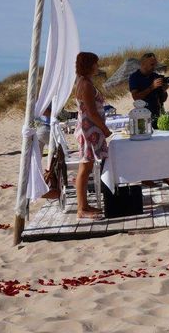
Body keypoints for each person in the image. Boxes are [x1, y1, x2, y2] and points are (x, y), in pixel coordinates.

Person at [74, 52, 110, 219]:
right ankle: (81, 208)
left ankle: (84, 205)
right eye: (96, 63)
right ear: (89, 65)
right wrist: (104, 129)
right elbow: (92, 112)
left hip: (89, 129)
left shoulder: (84, 82)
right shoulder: (86, 84)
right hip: (90, 130)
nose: (98, 66)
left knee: (86, 167)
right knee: (85, 168)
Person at [129, 52, 169, 126]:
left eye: (155, 64)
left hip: (158, 115)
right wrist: (152, 87)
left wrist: (164, 90)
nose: (154, 67)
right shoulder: (134, 77)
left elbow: (163, 99)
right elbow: (136, 97)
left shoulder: (156, 76)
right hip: (143, 116)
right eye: (152, 64)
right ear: (143, 64)